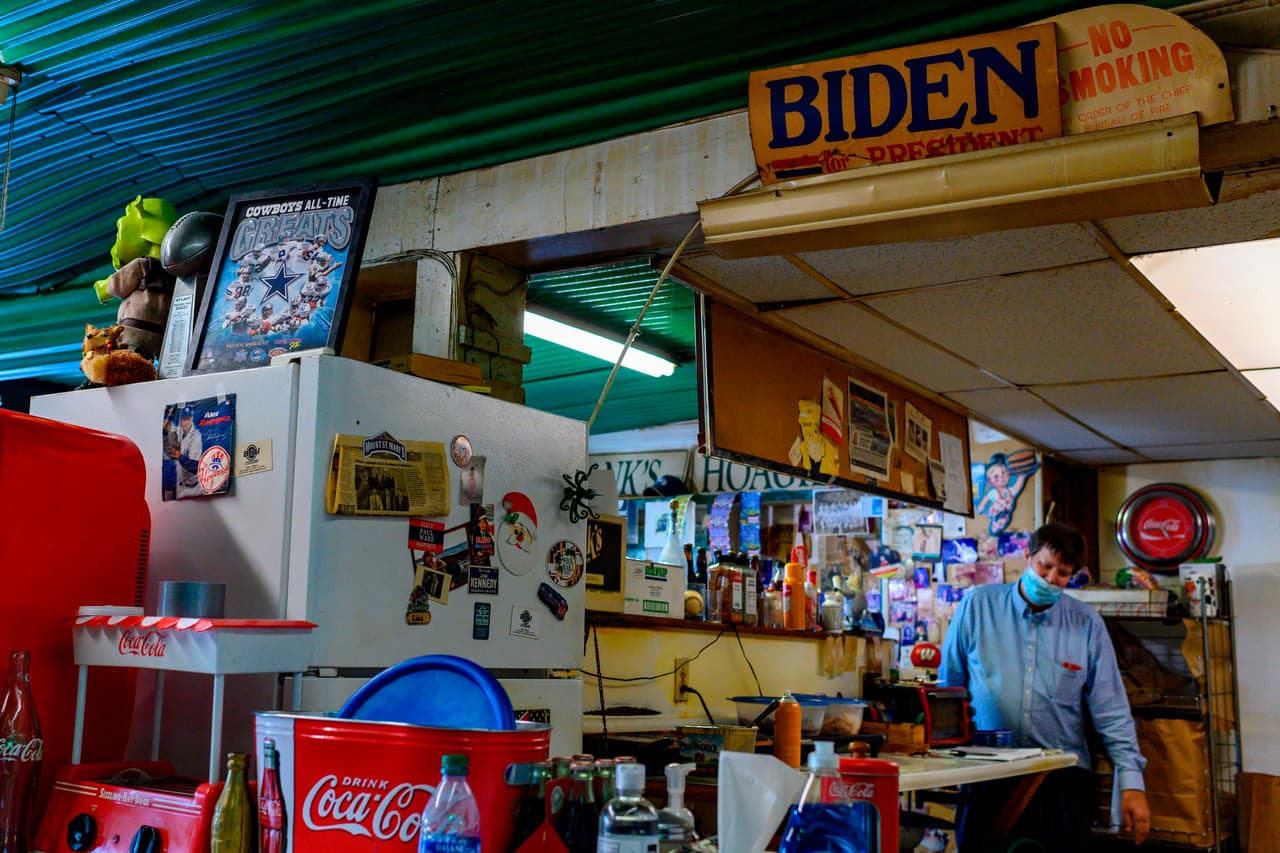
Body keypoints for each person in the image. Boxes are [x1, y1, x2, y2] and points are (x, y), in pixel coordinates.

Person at [939, 521, 1150, 852]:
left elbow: (1111, 709)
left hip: (1061, 778)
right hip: (987, 773)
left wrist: (1131, 781)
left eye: (1063, 573)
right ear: (1027, 557)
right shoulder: (978, 606)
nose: (1051, 578)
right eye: (1045, 566)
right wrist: (944, 758)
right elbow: (949, 687)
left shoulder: (1086, 624)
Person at [170, 407, 204, 499]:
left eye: (187, 419)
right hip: (180, 486)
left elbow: (194, 467)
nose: (185, 423)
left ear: (192, 419)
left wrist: (179, 456)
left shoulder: (196, 437)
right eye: (183, 419)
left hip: (193, 488)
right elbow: (170, 430)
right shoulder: (179, 430)